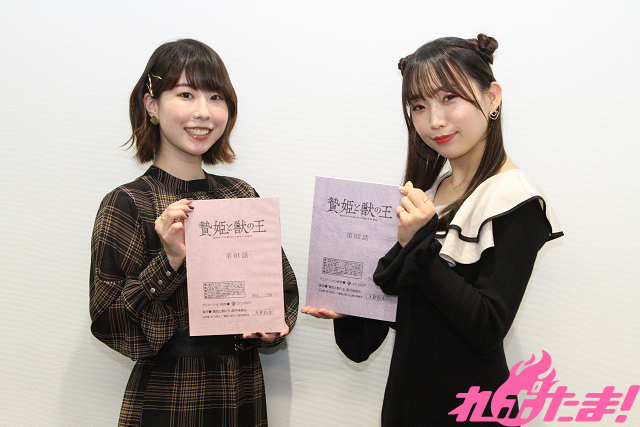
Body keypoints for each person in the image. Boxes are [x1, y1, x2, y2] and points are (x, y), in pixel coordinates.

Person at [303, 34, 562, 426]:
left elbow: (487, 326)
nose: (434, 121)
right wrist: (347, 306)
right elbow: (363, 346)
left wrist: (420, 246)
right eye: (419, 106)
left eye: (449, 98)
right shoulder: (426, 196)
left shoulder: (516, 198)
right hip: (407, 406)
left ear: (492, 97)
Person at [90, 39, 298, 427]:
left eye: (215, 97)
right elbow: (110, 323)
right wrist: (169, 261)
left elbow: (281, 288)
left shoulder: (240, 195)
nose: (203, 111)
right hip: (168, 397)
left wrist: (271, 328)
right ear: (151, 104)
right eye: (186, 94)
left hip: (242, 390)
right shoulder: (128, 202)